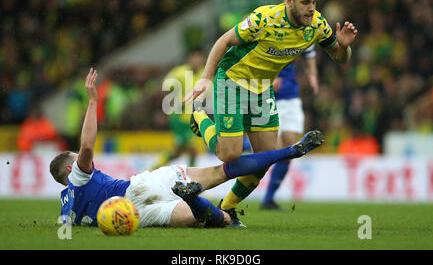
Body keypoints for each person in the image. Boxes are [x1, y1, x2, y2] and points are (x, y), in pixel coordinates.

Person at [51, 68, 324, 228]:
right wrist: (91, 101)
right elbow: (87, 147)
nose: (82, 162)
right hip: (140, 188)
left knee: (216, 222)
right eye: (74, 161)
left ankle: (194, 199)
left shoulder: (67, 209)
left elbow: (66, 225)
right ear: (68, 167)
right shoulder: (76, 176)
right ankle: (290, 151)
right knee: (223, 170)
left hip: (143, 215)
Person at [183, 0, 358, 227]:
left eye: (315, 2)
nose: (312, 8)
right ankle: (200, 116)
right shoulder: (264, 19)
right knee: (230, 154)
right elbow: (224, 40)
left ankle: (227, 208)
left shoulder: (318, 25)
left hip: (262, 92)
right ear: (289, 1)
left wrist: (344, 47)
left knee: (265, 158)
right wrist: (206, 78)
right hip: (232, 81)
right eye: (306, 2)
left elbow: (340, 58)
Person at [261, 45, 318, 210]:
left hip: (291, 98)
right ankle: (244, 146)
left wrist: (312, 72)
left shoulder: (300, 33)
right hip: (268, 98)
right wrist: (266, 82)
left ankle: (268, 199)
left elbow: (310, 51)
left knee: (290, 150)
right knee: (271, 148)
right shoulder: (265, 30)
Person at [151, 50, 206, 170]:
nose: (196, 60)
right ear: (189, 58)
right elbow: (163, 88)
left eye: (199, 57)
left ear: (203, 59)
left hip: (194, 118)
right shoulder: (179, 72)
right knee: (193, 150)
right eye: (194, 57)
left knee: (177, 152)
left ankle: (150, 170)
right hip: (179, 116)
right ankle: (192, 179)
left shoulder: (205, 74)